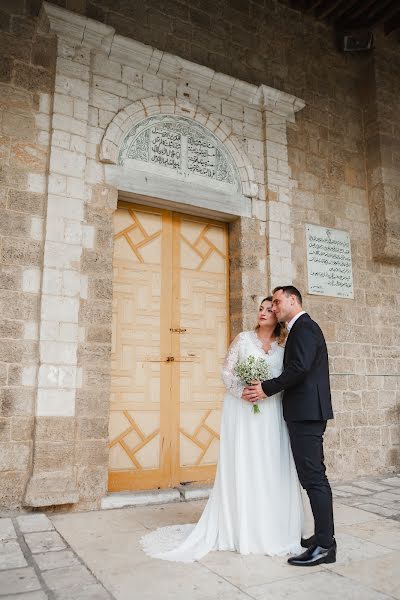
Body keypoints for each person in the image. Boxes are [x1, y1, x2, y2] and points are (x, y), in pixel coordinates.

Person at [141, 297, 305, 562]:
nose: (263, 313)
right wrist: (243, 392)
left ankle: (270, 528)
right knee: (244, 463)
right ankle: (238, 527)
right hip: (242, 410)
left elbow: (287, 380)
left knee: (269, 465)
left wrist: (266, 390)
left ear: (278, 316)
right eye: (260, 309)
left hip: (271, 412)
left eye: (269, 309)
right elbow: (226, 372)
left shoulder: (284, 348)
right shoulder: (243, 339)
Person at [244, 285, 336, 566]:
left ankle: (325, 546)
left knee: (314, 479)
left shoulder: (305, 327)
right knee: (311, 478)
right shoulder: (299, 328)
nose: (274, 306)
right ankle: (322, 537)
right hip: (303, 412)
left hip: (307, 413)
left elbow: (299, 369)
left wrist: (266, 388)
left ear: (293, 300)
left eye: (277, 301)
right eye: (271, 302)